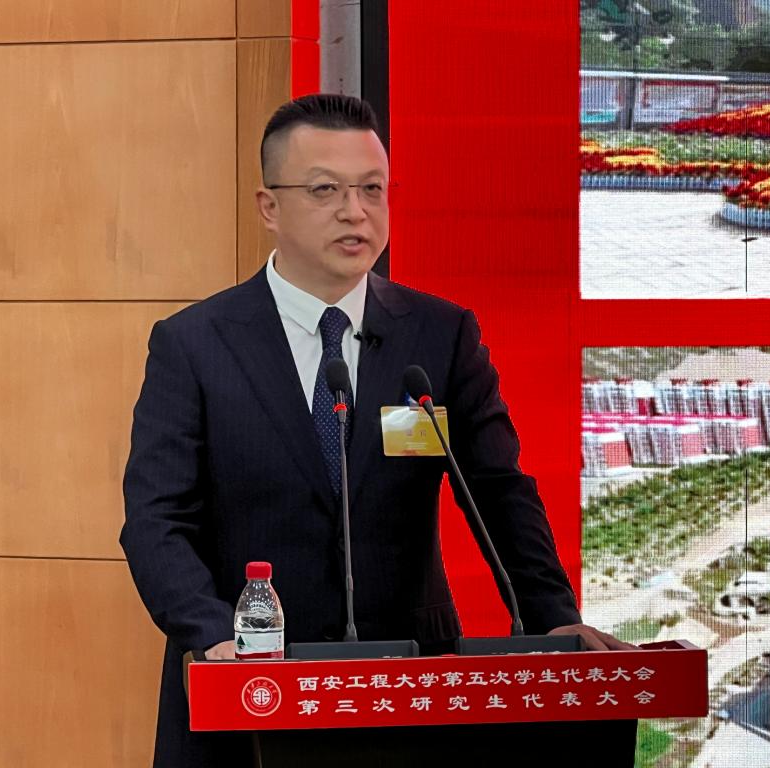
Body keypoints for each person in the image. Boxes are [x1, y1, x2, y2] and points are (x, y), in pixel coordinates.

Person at [121, 93, 632, 768]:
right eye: (325, 190)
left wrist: (553, 616)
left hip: (410, 690)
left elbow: (499, 490)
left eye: (371, 189)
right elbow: (156, 519)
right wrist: (215, 635)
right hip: (246, 691)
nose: (354, 212)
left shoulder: (440, 335)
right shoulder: (195, 344)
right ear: (269, 207)